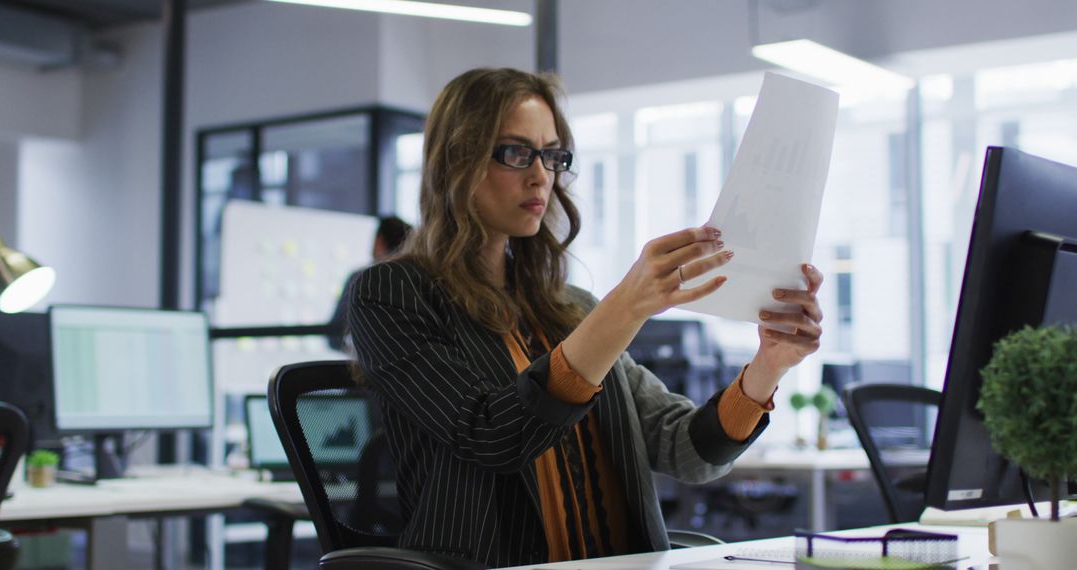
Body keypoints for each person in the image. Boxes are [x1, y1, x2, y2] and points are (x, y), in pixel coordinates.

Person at [346, 68, 823, 567]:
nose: (541, 176)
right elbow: (492, 435)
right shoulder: (391, 294)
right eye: (515, 152)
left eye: (551, 155)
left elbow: (686, 449)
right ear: (455, 162)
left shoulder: (571, 306)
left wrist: (769, 365)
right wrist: (625, 307)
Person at [327, 215, 412, 351]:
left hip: (369, 366)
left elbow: (334, 336)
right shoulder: (416, 280)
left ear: (379, 241)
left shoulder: (362, 278)